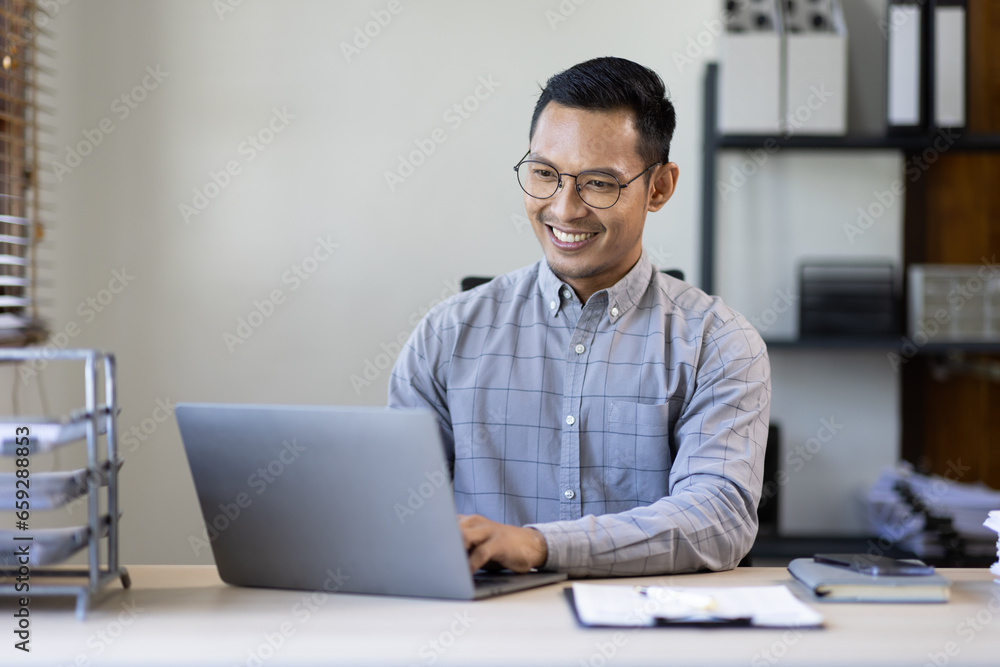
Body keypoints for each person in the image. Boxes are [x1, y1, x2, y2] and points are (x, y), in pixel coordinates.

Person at [388, 56, 770, 577]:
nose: (564, 209)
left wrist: (539, 545)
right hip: (481, 636)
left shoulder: (720, 343)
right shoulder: (445, 336)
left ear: (658, 187)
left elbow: (717, 520)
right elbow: (396, 513)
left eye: (599, 183)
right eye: (544, 174)